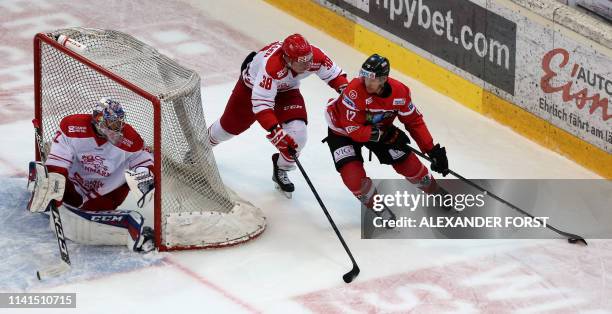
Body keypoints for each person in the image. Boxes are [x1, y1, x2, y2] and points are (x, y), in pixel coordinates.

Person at [206, 33, 348, 198]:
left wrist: (347, 95)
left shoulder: (316, 56)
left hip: (287, 91)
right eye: (302, 62)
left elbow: (337, 77)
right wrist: (276, 131)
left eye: (309, 59)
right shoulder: (272, 66)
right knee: (227, 128)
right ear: (287, 60)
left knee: (298, 136)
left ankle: (281, 169)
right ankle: (201, 148)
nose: (309, 65)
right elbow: (261, 104)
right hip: (250, 88)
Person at [27, 98, 156, 252]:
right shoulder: (73, 127)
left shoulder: (130, 139)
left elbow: (144, 158)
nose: (118, 128)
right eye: (113, 123)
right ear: (99, 120)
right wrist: (54, 184)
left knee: (90, 216)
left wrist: (144, 175)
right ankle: (44, 186)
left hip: (105, 189)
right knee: (54, 184)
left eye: (119, 123)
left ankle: (131, 232)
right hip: (74, 183)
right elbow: (58, 162)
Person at [324, 54, 450, 206]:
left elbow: (414, 121)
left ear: (383, 79)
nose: (365, 82)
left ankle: (434, 190)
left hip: (378, 128)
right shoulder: (354, 91)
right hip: (341, 131)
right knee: (353, 176)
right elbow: (354, 130)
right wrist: (384, 135)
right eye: (364, 77)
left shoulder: (400, 93)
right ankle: (378, 207)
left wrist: (432, 150)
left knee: (408, 163)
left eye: (372, 79)